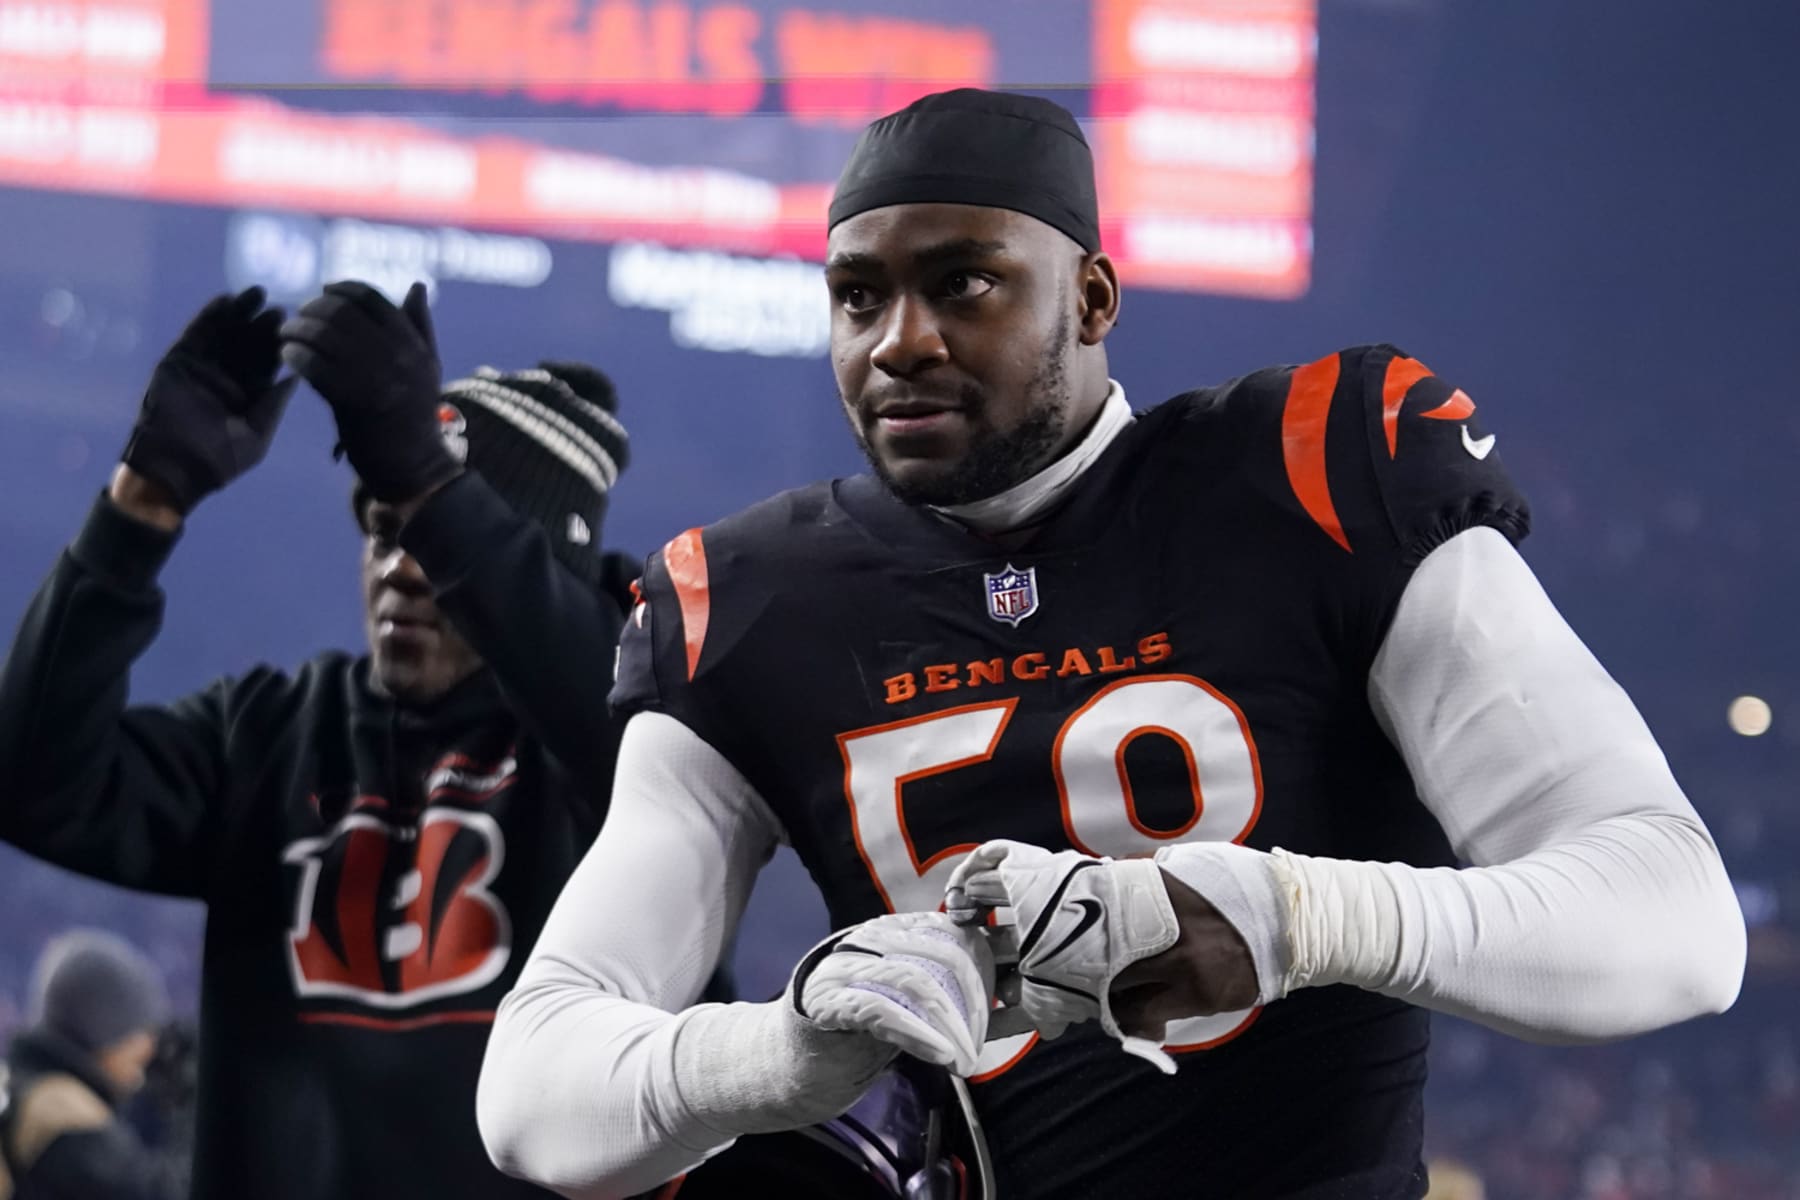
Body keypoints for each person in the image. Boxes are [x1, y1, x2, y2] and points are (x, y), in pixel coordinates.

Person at [454, 89, 1747, 1198]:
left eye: (961, 282)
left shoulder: (1318, 480)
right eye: (856, 297)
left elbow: (1679, 923)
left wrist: (1297, 916)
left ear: (1091, 294)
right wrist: (782, 1054)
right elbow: (531, 1093)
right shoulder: (749, 601)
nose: (898, 342)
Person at [0, 284, 643, 1199]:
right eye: (383, 532)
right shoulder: (269, 732)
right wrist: (142, 504)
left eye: (436, 539)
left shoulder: (636, 745)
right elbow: (31, 782)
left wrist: (428, 478)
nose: (400, 570)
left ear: (532, 569)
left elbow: (615, 698)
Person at [0, 930, 180, 1199]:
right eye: (139, 1030)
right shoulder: (61, 1110)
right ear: (103, 1032)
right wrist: (187, 1114)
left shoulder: (26, 1088)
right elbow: (154, 1193)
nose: (149, 1047)